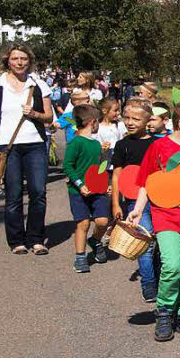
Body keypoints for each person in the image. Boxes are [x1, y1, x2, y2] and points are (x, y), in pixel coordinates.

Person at [127, 99, 180, 342]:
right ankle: (164, 312)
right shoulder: (158, 147)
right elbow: (146, 181)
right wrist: (137, 209)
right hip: (165, 215)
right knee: (172, 265)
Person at [0, 44, 54, 255]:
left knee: (38, 192)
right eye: (15, 59)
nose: (19, 62)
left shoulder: (38, 84)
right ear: (7, 61)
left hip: (35, 144)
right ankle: (16, 240)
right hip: (6, 144)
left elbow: (49, 117)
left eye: (23, 58)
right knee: (13, 194)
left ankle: (36, 238)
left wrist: (35, 114)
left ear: (29, 61)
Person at [111, 98, 159, 303]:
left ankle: (158, 277)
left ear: (148, 120)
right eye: (126, 118)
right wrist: (115, 203)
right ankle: (148, 283)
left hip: (159, 199)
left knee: (160, 244)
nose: (130, 122)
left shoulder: (158, 143)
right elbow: (116, 176)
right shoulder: (122, 145)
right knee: (145, 243)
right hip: (135, 203)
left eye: (136, 119)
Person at [63, 104, 110, 272]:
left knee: (103, 221)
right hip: (78, 191)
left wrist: (107, 183)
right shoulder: (76, 142)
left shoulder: (96, 144)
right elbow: (68, 166)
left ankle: (95, 240)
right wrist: (80, 184)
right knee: (83, 223)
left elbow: (101, 167)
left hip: (98, 190)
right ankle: (81, 257)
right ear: (93, 122)